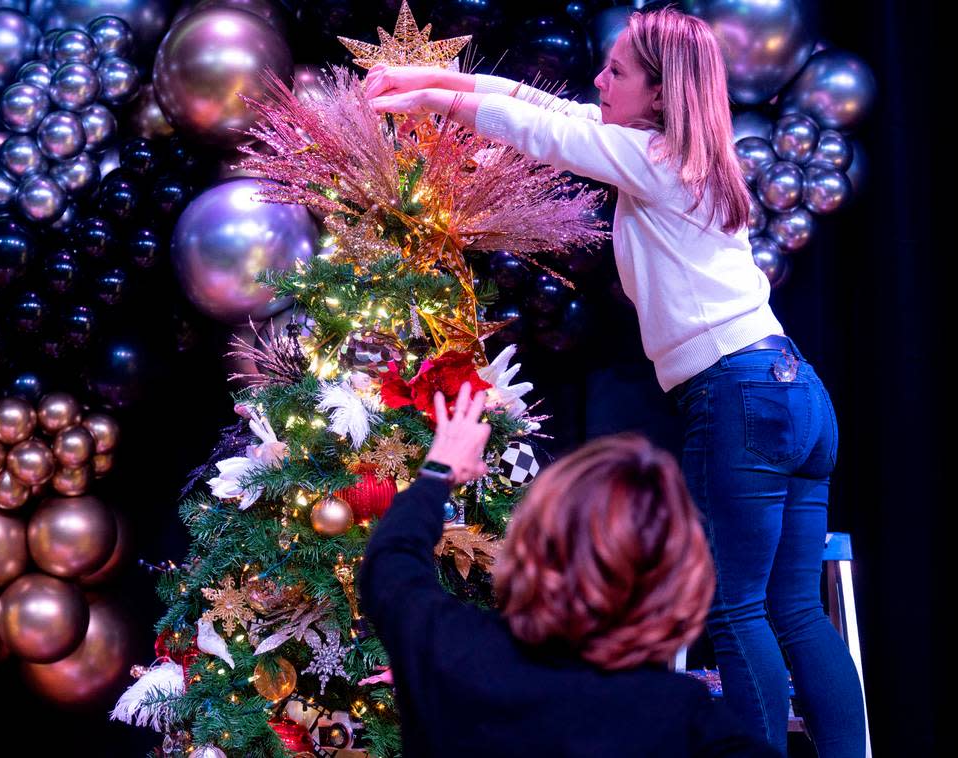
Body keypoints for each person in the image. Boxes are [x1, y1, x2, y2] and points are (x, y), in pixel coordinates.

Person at [362, 6, 865, 756]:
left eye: (618, 71)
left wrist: (432, 101)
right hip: (794, 389)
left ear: (661, 94)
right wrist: (432, 76)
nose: (598, 79)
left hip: (741, 393)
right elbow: (549, 107)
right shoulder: (688, 155)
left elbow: (548, 132)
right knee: (793, 607)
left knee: (734, 610)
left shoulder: (658, 161)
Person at [359, 382, 776, 756]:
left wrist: (440, 470)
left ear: (531, 539)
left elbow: (390, 561)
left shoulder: (449, 649)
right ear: (678, 578)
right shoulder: (682, 720)